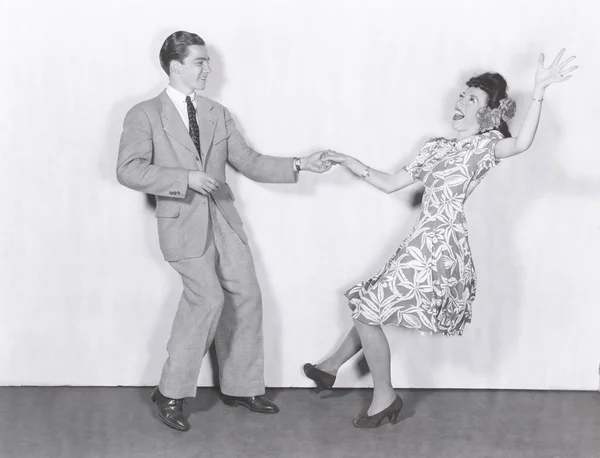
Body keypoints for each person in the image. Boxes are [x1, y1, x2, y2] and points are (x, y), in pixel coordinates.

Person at [304, 49, 577, 428]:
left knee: (368, 309)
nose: (461, 101)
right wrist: (350, 161)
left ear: (489, 112)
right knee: (371, 306)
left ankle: (384, 398)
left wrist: (541, 92)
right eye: (462, 94)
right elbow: (390, 183)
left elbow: (521, 144)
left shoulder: (485, 146)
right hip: (420, 242)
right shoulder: (435, 147)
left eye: (473, 98)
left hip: (441, 246)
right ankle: (330, 368)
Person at [117, 31, 332, 432]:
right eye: (200, 61)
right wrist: (184, 177)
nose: (208, 69)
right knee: (207, 299)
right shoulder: (144, 114)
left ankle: (241, 386)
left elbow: (249, 161)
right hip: (181, 225)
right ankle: (170, 392)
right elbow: (128, 169)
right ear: (175, 65)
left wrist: (302, 163)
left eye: (207, 61)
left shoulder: (217, 112)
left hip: (225, 220)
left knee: (246, 296)